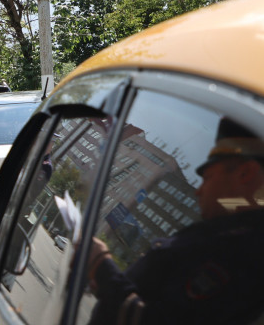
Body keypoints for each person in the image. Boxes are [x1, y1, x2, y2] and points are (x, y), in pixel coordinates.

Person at [86, 119, 264, 325]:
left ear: (245, 173)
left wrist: (101, 263)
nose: (199, 191)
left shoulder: (239, 254)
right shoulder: (227, 236)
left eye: (208, 178)